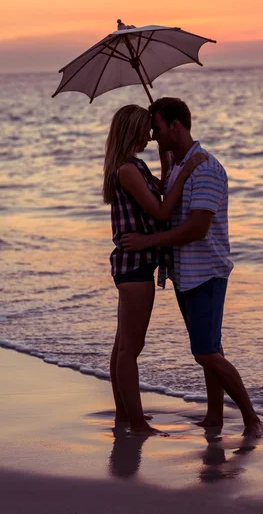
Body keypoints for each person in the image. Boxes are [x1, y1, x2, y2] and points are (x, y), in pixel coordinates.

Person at [121, 98, 263, 438]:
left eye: (156, 127)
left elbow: (196, 228)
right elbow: (165, 200)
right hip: (185, 273)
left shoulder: (205, 169)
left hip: (206, 273)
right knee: (209, 348)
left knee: (204, 352)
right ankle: (214, 416)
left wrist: (147, 242)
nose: (153, 134)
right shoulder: (178, 167)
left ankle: (251, 418)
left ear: (176, 126)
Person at [103, 104, 206, 435]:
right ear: (133, 129)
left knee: (123, 345)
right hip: (135, 266)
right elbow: (162, 211)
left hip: (132, 266)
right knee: (131, 348)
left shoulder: (134, 166)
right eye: (146, 128)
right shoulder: (129, 170)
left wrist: (170, 161)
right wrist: (187, 170)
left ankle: (124, 414)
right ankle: (135, 422)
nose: (151, 134)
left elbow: (160, 189)